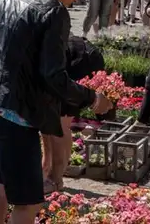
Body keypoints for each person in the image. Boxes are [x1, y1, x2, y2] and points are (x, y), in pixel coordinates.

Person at [0, 0, 111, 224]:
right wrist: (93, 98)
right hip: (14, 114)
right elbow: (53, 75)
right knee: (28, 202)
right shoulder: (54, 11)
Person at [41, 35, 105, 191]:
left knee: (60, 122)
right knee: (47, 121)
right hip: (63, 61)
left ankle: (55, 179)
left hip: (79, 61)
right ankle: (47, 169)